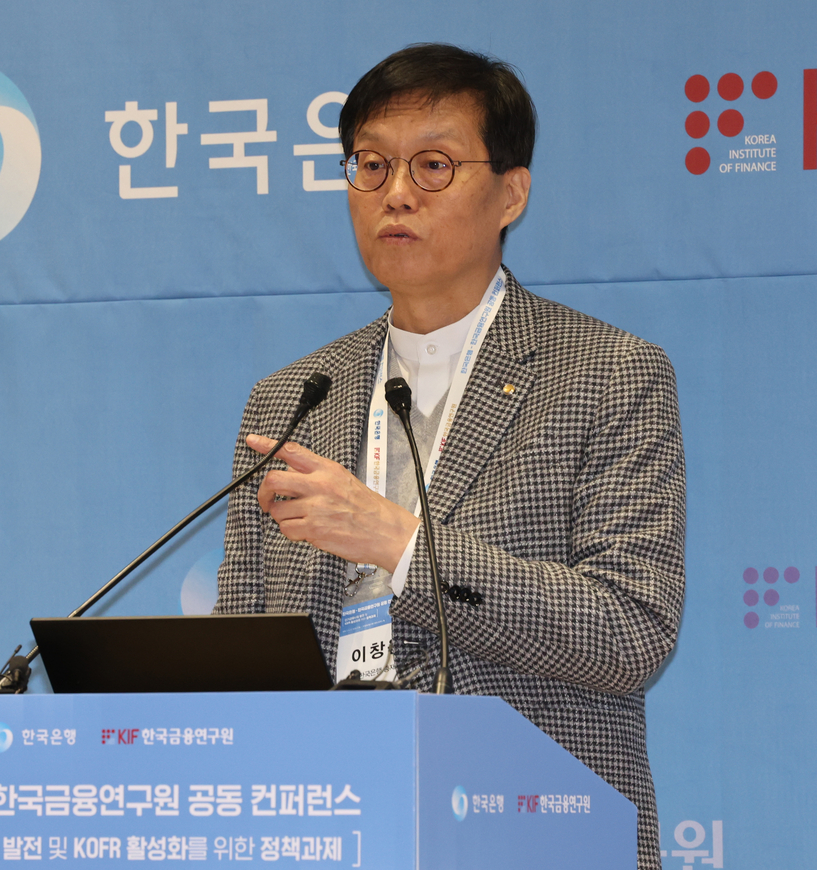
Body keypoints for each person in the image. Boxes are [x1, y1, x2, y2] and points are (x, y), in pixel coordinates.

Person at [215, 43, 685, 870]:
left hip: (534, 835)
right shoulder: (290, 399)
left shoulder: (608, 375)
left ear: (511, 192)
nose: (395, 193)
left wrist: (400, 546)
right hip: (334, 833)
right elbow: (245, 653)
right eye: (370, 165)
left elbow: (629, 632)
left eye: (433, 166)